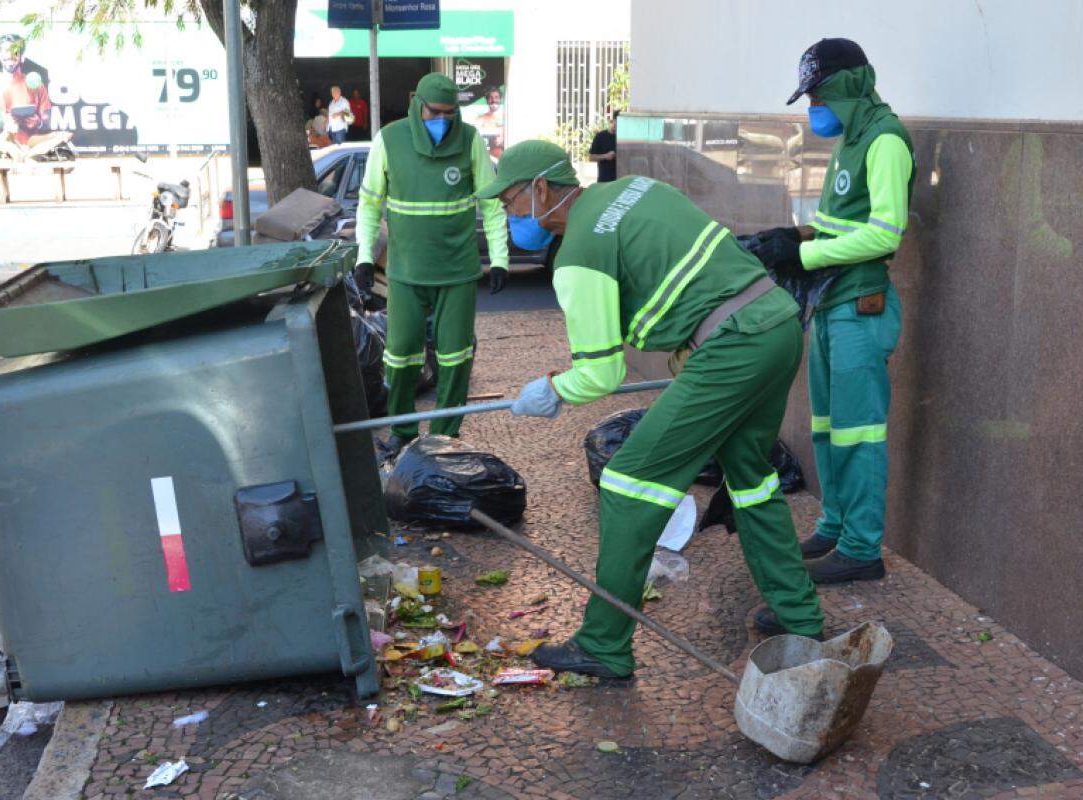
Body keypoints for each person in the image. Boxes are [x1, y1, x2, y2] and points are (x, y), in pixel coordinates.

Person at [475, 140, 824, 677]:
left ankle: (603, 645)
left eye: (511, 201)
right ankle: (800, 618)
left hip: (733, 347)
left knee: (627, 482)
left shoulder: (579, 254)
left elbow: (601, 372)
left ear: (541, 188)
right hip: (775, 322)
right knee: (752, 478)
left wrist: (550, 390)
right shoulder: (636, 190)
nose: (507, 214)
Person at [748, 38, 914, 585]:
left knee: (858, 434)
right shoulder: (851, 138)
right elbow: (844, 223)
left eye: (817, 95)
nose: (811, 107)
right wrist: (791, 236)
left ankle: (862, 549)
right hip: (831, 305)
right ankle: (835, 526)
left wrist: (804, 253)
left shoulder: (885, 140)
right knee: (826, 428)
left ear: (846, 86)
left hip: (860, 310)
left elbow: (885, 231)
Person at [353, 73, 510, 460]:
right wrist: (364, 256)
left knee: (455, 358)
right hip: (405, 273)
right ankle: (403, 431)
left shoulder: (470, 140)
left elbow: (490, 204)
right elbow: (370, 204)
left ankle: (446, 438)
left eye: (449, 113)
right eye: (435, 112)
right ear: (416, 103)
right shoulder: (389, 141)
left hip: (457, 273)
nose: (442, 119)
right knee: (400, 355)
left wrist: (501, 258)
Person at [0, 34, 50, 148]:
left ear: (22, 56)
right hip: (2, 152)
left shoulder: (37, 86)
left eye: (15, 51)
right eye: (6, 51)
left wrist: (38, 122)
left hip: (32, 151)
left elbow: (47, 122)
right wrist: (3, 121)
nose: (10, 55)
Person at [588, 110, 618, 183]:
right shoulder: (600, 136)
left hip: (620, 180)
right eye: (616, 122)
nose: (618, 125)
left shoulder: (623, 138)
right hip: (604, 180)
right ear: (612, 121)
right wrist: (605, 156)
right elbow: (591, 157)